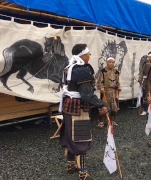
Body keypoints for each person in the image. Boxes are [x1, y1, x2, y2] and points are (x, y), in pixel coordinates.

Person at [59, 44, 108, 180]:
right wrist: (102, 104)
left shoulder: (68, 67)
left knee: (70, 134)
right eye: (88, 54)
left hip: (68, 106)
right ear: (83, 55)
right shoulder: (81, 70)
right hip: (78, 107)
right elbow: (86, 94)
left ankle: (70, 164)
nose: (89, 56)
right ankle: (83, 173)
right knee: (81, 137)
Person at [96, 57, 121, 128]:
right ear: (107, 63)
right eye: (110, 62)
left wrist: (117, 91)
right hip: (105, 91)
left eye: (113, 62)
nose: (111, 63)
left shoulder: (116, 72)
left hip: (113, 91)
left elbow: (118, 82)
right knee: (103, 108)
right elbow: (99, 82)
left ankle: (112, 120)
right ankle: (101, 122)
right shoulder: (103, 71)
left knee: (114, 108)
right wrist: (101, 88)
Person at [138, 50, 151, 115]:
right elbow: (141, 72)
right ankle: (145, 110)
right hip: (145, 82)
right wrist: (140, 79)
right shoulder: (145, 64)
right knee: (145, 96)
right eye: (150, 57)